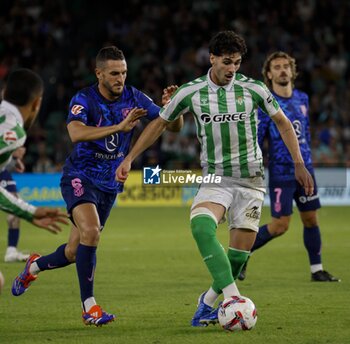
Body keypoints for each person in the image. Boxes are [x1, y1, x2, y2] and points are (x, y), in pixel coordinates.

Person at [116, 31, 314, 327]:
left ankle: (206, 303)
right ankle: (234, 299)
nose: (232, 69)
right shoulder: (191, 91)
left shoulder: (254, 89)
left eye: (236, 62)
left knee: (236, 258)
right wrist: (130, 158)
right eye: (226, 62)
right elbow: (160, 124)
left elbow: (283, 124)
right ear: (212, 58)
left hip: (251, 181)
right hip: (217, 178)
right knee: (201, 225)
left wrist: (299, 163)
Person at [12, 46, 182, 326]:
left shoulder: (134, 96)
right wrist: (119, 127)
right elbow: (76, 132)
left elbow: (169, 125)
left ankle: (33, 265)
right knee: (91, 232)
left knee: (72, 252)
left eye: (124, 73)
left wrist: (174, 107)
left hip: (109, 184)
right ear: (99, 73)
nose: (121, 79)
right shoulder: (84, 99)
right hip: (79, 176)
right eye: (114, 73)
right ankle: (89, 307)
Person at [238, 51, 340, 282]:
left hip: (306, 169)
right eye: (277, 67)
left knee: (311, 219)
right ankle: (242, 253)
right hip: (282, 172)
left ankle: (317, 270)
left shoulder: (302, 98)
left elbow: (303, 133)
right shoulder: (266, 105)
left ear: (293, 71)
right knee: (280, 225)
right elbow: (257, 139)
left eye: (286, 66)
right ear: (269, 74)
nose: (283, 70)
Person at [0, 68, 68, 231]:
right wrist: (30, 211)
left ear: (4, 93)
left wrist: (8, 160)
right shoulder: (14, 132)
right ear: (37, 103)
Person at [2, 147, 30, 262]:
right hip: (2, 174)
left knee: (16, 207)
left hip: (4, 174)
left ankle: (11, 251)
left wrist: (16, 160)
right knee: (16, 206)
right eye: (21, 148)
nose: (23, 150)